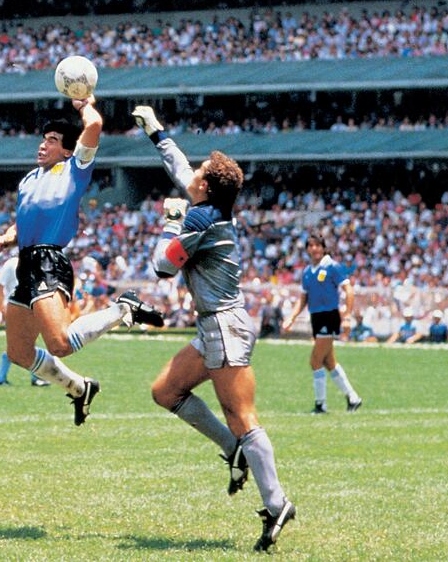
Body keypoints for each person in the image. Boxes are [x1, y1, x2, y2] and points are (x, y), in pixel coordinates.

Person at [132, 105, 294, 552]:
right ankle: (234, 450)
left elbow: (162, 267)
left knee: (242, 416)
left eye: (200, 171)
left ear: (205, 187)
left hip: (224, 326)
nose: (194, 172)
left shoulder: (202, 220)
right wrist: (157, 133)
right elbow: (181, 168)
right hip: (214, 326)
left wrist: (169, 223)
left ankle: (277, 503)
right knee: (165, 391)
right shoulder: (208, 207)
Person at [0, 95, 163, 426]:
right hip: (26, 261)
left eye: (52, 141)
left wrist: (84, 104)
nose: (43, 145)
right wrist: (6, 238)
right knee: (19, 353)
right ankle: (80, 388)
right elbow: (23, 221)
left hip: (50, 260)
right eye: (43, 139)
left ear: (68, 150)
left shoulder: (74, 169)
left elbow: (94, 125)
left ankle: (122, 309)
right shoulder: (28, 180)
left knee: (60, 343)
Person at [282, 234, 363, 414]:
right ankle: (353, 398)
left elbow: (348, 290)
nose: (314, 249)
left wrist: (347, 316)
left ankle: (321, 404)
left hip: (329, 316)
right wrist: (292, 317)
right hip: (316, 317)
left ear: (324, 248)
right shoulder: (307, 272)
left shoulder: (333, 266)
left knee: (315, 360)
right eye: (311, 246)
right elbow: (303, 298)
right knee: (329, 362)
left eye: (318, 245)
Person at [0, 255, 49, 387]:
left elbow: (42, 286)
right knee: (21, 344)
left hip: (29, 307)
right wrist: (2, 307)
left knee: (22, 343)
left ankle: (2, 378)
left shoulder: (35, 265)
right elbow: (0, 285)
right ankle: (34, 378)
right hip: (16, 307)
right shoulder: (12, 263)